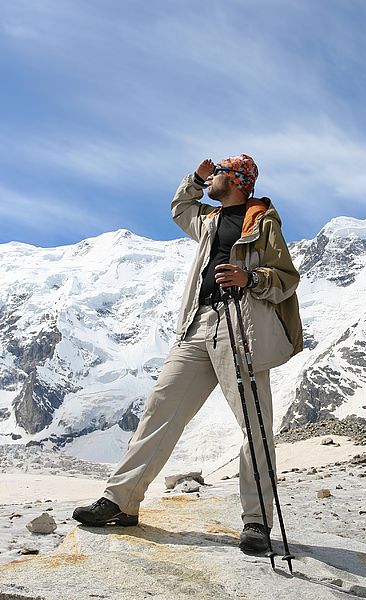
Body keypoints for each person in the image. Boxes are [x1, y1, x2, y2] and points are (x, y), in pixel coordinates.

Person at [72, 154, 303, 553]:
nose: (211, 178)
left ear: (236, 181)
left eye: (217, 174)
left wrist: (250, 277)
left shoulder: (263, 222)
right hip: (198, 326)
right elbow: (180, 206)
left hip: (240, 328)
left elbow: (286, 279)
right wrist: (195, 178)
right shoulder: (210, 220)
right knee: (160, 408)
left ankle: (257, 522)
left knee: (255, 425)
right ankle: (121, 501)